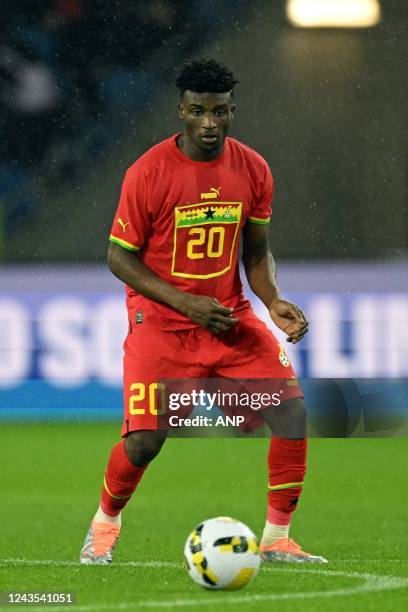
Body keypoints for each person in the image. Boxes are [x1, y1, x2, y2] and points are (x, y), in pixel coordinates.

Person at [80, 58, 327, 566]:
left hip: (228, 319)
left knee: (291, 413)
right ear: (181, 112)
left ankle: (278, 537)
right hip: (163, 325)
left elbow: (255, 252)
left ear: (232, 110)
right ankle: (105, 523)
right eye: (198, 111)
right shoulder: (147, 172)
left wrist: (272, 298)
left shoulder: (254, 168)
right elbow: (118, 257)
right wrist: (186, 301)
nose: (209, 123)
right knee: (146, 441)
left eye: (219, 112)